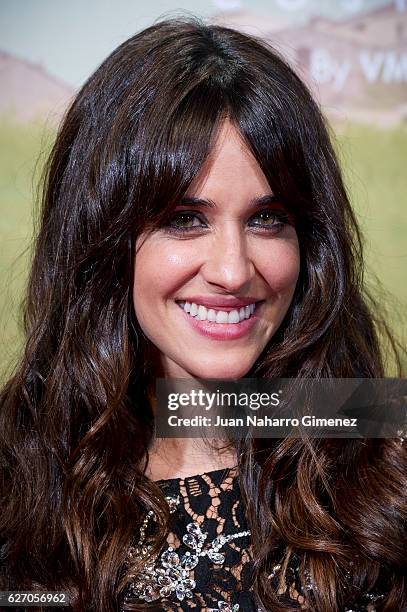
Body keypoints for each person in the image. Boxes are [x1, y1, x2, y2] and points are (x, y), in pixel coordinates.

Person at [0, 14, 406, 612]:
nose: (234, 270)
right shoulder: (19, 470)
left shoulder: (378, 435)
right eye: (184, 220)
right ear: (102, 237)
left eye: (268, 219)